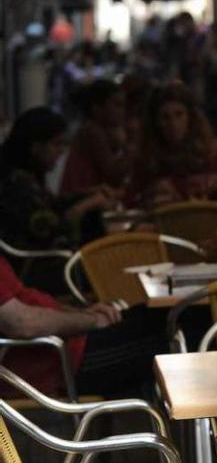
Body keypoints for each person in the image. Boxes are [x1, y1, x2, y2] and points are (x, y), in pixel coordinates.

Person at [0, 255, 168, 398]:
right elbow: (22, 324)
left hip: (66, 347)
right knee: (171, 332)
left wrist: (82, 313)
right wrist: (93, 321)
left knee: (162, 314)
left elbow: (26, 303)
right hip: (63, 363)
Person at [0, 107, 114, 253]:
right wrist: (88, 204)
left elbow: (52, 205)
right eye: (56, 144)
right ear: (35, 147)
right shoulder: (16, 183)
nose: (61, 151)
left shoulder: (26, 175)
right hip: (37, 265)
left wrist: (87, 194)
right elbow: (49, 228)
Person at [126, 84, 217, 207]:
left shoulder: (210, 154)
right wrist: (150, 195)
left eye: (179, 115)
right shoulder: (148, 160)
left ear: (190, 117)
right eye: (165, 117)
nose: (173, 124)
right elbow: (129, 201)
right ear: (155, 122)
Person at [60, 79, 130, 196]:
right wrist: (129, 147)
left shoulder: (101, 131)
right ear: (97, 108)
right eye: (117, 106)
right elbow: (113, 176)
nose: (123, 111)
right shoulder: (92, 131)